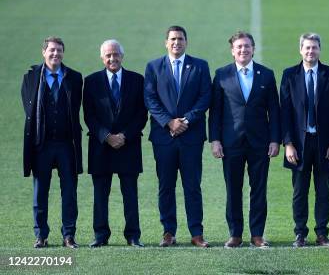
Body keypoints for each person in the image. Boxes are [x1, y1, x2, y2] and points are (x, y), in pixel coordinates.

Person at [208, 31, 280, 248]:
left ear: (253, 49)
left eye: (247, 46)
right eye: (239, 47)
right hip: (231, 143)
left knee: (259, 190)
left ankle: (257, 234)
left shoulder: (266, 75)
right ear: (232, 51)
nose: (243, 50)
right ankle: (235, 234)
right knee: (233, 189)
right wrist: (215, 140)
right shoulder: (222, 75)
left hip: (260, 142)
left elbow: (274, 111)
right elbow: (215, 112)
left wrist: (275, 139)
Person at [144, 25, 212, 248]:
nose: (176, 43)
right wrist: (168, 122)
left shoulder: (200, 66)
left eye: (180, 39)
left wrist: (186, 120)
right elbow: (150, 99)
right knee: (166, 186)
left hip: (191, 137)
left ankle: (196, 233)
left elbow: (205, 97)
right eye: (172, 39)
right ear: (166, 42)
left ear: (186, 42)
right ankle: (168, 232)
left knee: (192, 186)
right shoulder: (154, 67)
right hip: (164, 138)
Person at [280, 33, 329, 247]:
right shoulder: (289, 75)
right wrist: (288, 143)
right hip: (298, 143)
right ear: (300, 50)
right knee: (299, 191)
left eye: (314, 48)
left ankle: (322, 233)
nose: (310, 51)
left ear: (319, 50)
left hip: (325, 143)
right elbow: (285, 113)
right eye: (307, 48)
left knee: (323, 190)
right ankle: (300, 233)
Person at [83, 39, 147, 248]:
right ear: (102, 58)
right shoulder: (91, 81)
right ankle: (101, 235)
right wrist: (107, 136)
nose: (112, 58)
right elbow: (89, 116)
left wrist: (124, 136)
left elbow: (141, 114)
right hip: (101, 147)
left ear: (122, 56)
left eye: (116, 54)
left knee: (130, 193)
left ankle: (133, 235)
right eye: (108, 55)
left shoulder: (137, 80)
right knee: (100, 195)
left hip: (128, 146)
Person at [21, 37, 83, 249]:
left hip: (67, 144)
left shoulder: (74, 77)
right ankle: (41, 236)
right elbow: (28, 110)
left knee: (69, 192)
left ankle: (69, 236)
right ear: (43, 52)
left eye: (59, 51)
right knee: (40, 192)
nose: (55, 54)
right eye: (52, 50)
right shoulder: (30, 78)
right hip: (42, 145)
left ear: (63, 54)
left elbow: (76, 108)